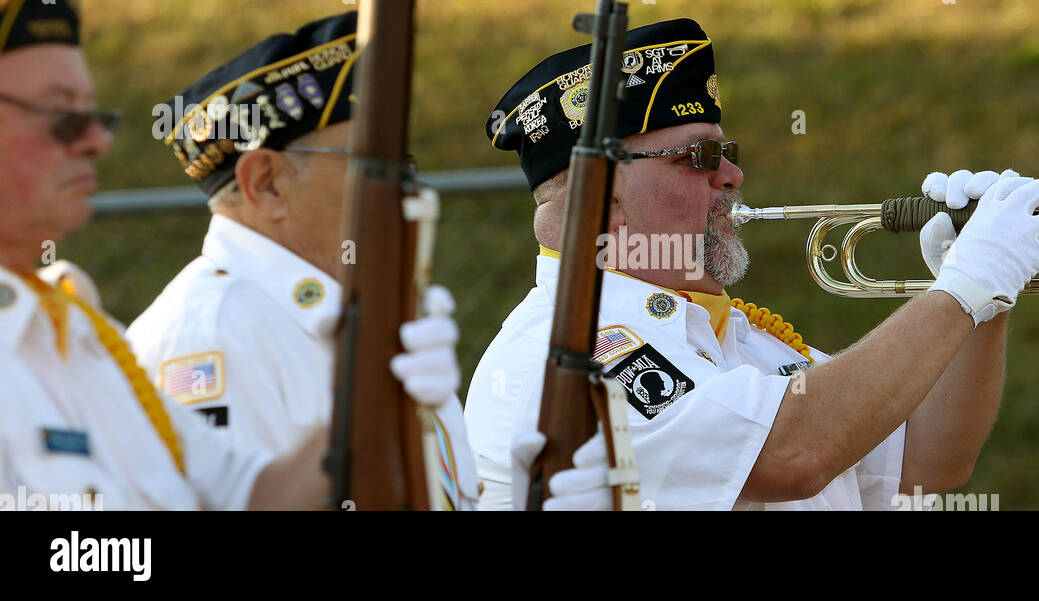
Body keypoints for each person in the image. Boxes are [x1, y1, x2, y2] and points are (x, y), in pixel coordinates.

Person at [465, 18, 1039, 510]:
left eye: (726, 154)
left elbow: (926, 467)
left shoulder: (730, 334)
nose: (732, 176)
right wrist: (962, 286)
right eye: (699, 160)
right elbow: (796, 453)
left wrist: (984, 305)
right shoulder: (568, 349)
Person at [124, 11, 611, 510]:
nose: (408, 188)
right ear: (266, 183)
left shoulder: (366, 318)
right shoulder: (211, 333)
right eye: (376, 166)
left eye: (404, 164)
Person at [0, 0, 324, 510]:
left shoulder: (82, 343)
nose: (96, 142)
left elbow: (253, 496)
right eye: (61, 116)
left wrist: (373, 386)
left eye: (92, 116)